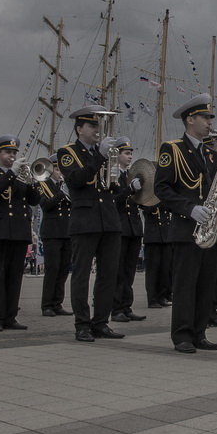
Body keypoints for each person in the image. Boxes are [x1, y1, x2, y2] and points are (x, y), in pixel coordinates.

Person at [154, 93, 217, 354]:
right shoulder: (172, 149)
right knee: (185, 285)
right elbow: (162, 188)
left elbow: (214, 190)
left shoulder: (212, 156)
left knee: (205, 285)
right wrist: (190, 209)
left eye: (211, 118)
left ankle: (200, 332)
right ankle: (182, 336)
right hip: (187, 227)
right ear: (191, 119)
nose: (210, 123)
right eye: (206, 118)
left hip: (211, 229)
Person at [58, 106, 126, 342]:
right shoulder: (67, 152)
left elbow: (112, 190)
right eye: (93, 126)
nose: (97, 130)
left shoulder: (104, 153)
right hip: (85, 221)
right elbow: (76, 180)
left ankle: (101, 322)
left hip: (108, 220)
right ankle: (82, 324)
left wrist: (116, 177)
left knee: (108, 274)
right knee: (81, 275)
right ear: (79, 129)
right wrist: (100, 157)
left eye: (98, 125)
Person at [0, 136, 40, 332]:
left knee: (15, 277)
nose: (12, 155)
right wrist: (11, 174)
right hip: (0, 230)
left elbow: (33, 200)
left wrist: (31, 181)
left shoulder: (22, 175)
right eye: (8, 152)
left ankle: (11, 317)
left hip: (20, 230)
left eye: (14, 152)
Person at [110, 137, 147, 323]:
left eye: (131, 152)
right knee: (118, 270)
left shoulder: (131, 175)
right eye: (126, 153)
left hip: (133, 227)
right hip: (120, 226)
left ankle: (126, 306)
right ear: (116, 155)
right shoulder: (112, 175)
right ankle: (116, 309)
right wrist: (129, 190)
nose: (130, 156)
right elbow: (113, 199)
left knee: (129, 270)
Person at [37, 154, 74, 317]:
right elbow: (45, 205)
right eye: (58, 169)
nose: (60, 173)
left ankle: (57, 303)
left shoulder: (67, 186)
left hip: (67, 232)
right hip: (52, 232)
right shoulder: (43, 185)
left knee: (64, 269)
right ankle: (47, 305)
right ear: (51, 169)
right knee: (52, 269)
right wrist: (61, 193)